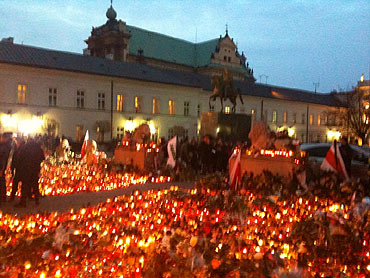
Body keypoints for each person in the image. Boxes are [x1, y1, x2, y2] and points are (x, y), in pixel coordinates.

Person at [16, 137, 45, 207]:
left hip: (26, 169)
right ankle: (37, 200)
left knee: (25, 185)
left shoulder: (25, 147)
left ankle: (23, 202)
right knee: (35, 185)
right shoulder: (38, 148)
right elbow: (42, 158)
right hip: (35, 169)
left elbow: (21, 157)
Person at [0, 134, 12, 205]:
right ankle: (2, 197)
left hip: (1, 167)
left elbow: (3, 159)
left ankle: (2, 197)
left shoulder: (4, 147)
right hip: (1, 166)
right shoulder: (4, 146)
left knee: (1, 182)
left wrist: (2, 169)